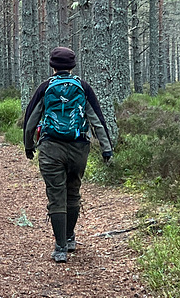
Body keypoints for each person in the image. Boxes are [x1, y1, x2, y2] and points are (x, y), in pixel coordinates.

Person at [23, 47, 113, 263]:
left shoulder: (45, 87)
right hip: (79, 148)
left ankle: (60, 247)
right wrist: (106, 147)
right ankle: (70, 237)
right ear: (73, 66)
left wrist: (29, 146)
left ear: (52, 66)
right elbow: (96, 119)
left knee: (56, 196)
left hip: (51, 148)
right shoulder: (83, 87)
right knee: (73, 192)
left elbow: (30, 120)